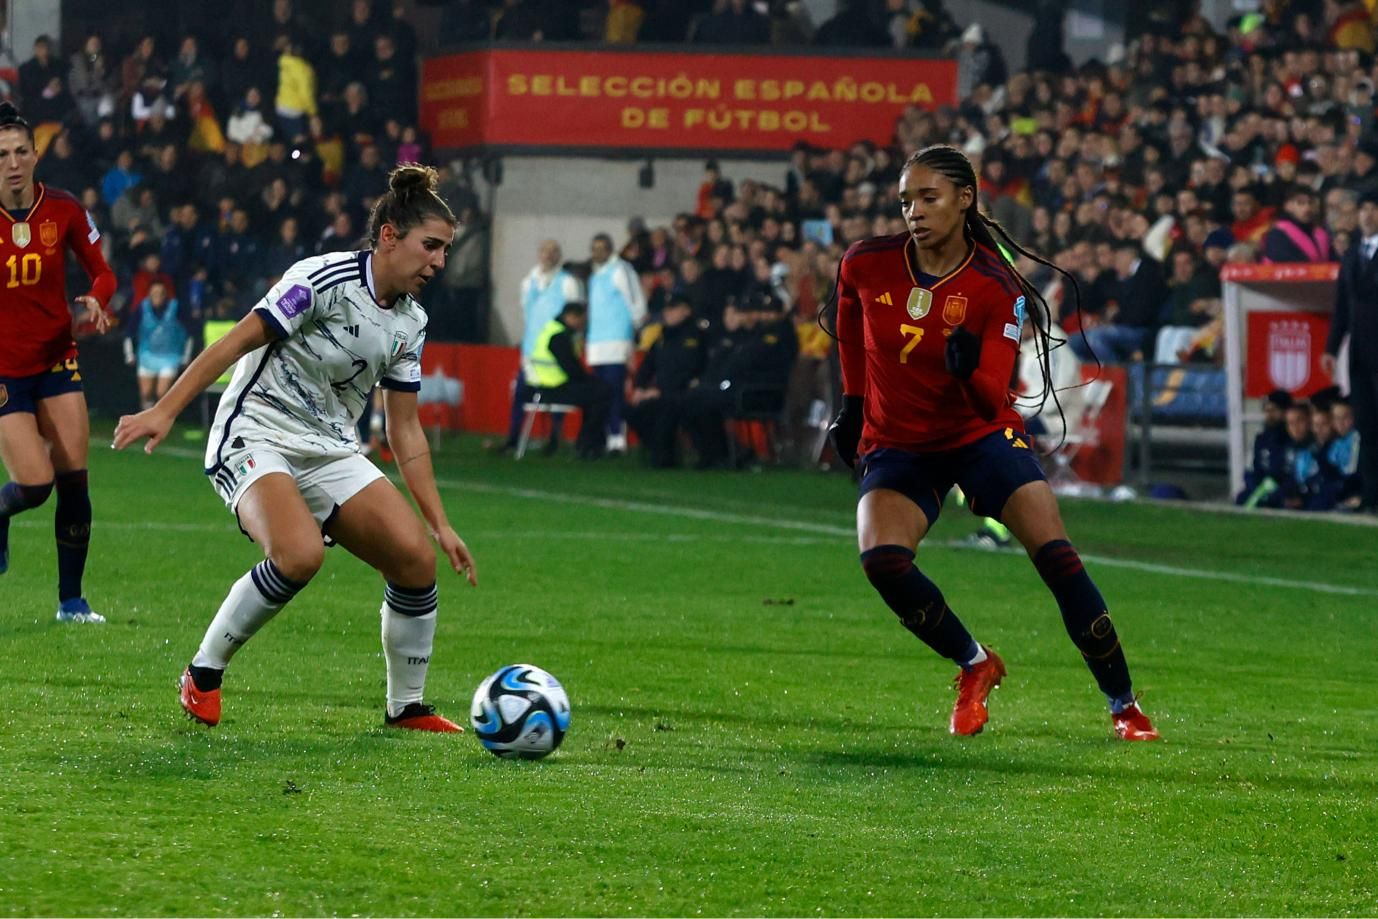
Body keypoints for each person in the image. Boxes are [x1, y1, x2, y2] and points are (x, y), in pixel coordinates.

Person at [112, 164, 478, 733]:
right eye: (430, 246)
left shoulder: (411, 322)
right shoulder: (322, 279)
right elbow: (236, 340)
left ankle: (406, 707)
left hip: (330, 448)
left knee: (415, 563)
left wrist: (441, 524)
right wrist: (165, 409)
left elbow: (404, 430)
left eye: (446, 251)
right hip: (254, 432)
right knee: (300, 554)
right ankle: (203, 673)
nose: (439, 262)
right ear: (389, 237)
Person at [825, 144, 1159, 741]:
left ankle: (1123, 704)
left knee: (1057, 559)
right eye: (906, 201)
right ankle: (975, 663)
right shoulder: (865, 262)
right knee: (882, 561)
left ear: (964, 200)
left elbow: (989, 395)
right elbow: (849, 320)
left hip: (980, 434)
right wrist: (853, 405)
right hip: (899, 443)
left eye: (929, 198)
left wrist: (968, 368)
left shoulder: (994, 284)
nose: (914, 211)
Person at [0, 102, 117, 623]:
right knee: (34, 484)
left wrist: (97, 297)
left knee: (74, 479)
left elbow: (103, 272)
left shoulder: (65, 209)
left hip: (55, 360)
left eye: (21, 151)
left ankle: (71, 602)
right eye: (2, 154)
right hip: (4, 371)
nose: (13, 163)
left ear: (35, 154)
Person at [494, 239, 582, 454]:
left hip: (558, 350)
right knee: (521, 395)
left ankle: (554, 439)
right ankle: (513, 438)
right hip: (533, 350)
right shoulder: (529, 282)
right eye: (545, 251)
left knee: (556, 396)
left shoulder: (568, 283)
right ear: (539, 254)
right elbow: (527, 313)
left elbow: (576, 315)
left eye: (553, 252)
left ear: (559, 256)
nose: (548, 255)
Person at [1323, 190, 1378, 512]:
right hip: (1359, 355)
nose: (1367, 216)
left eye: (1373, 209)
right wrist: (1331, 347)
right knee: (1369, 429)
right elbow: (1343, 306)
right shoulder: (1353, 256)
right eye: (1364, 209)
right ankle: (1372, 498)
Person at [523, 300, 613, 460]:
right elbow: (572, 369)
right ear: (572, 317)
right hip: (554, 388)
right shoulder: (560, 336)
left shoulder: (550, 330)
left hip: (543, 387)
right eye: (581, 320)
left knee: (597, 393)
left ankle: (588, 444)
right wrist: (590, 380)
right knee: (602, 394)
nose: (582, 325)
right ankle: (588, 445)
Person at [625, 295, 707, 468]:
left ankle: (664, 455)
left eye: (673, 309)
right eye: (667, 309)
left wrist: (661, 390)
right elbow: (648, 364)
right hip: (662, 391)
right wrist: (639, 387)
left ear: (686, 311)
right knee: (631, 411)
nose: (668, 313)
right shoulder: (663, 337)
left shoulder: (694, 336)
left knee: (666, 407)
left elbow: (690, 369)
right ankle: (656, 448)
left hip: (684, 390)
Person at [586, 232, 647, 453]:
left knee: (614, 391)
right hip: (597, 344)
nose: (597, 252)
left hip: (616, 341)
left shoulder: (621, 270)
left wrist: (634, 330)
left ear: (610, 249)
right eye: (594, 248)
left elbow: (635, 301)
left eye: (602, 248)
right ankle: (603, 436)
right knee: (601, 393)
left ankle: (617, 438)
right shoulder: (595, 276)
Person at [123, 278, 193, 410]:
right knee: (146, 393)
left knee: (162, 393)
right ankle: (144, 422)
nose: (157, 296)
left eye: (161, 293)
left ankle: (161, 421)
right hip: (147, 355)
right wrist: (129, 354)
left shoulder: (176, 308)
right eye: (154, 293)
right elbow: (129, 332)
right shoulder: (142, 308)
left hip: (170, 356)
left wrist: (186, 355)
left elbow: (189, 333)